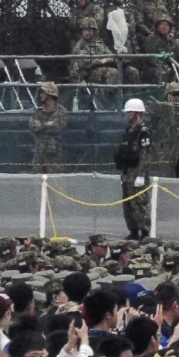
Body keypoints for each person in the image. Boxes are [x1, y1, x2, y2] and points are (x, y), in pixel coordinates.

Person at [114, 97, 152, 239]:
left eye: (130, 112)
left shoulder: (143, 132)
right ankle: (133, 230)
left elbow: (145, 155)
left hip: (137, 173)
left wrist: (141, 174)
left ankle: (145, 231)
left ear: (137, 113)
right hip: (127, 173)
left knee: (139, 203)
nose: (127, 115)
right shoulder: (128, 131)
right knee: (128, 204)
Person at [29, 83, 68, 171]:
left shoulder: (61, 111)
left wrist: (41, 125)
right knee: (37, 176)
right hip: (39, 150)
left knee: (54, 176)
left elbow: (58, 127)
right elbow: (33, 126)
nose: (41, 95)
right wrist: (47, 124)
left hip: (54, 151)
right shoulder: (39, 110)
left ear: (49, 94)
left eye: (43, 93)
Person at [69, 18, 118, 85]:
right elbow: (84, 63)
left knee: (129, 71)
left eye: (89, 30)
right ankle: (110, 92)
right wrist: (101, 61)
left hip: (100, 70)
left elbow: (109, 54)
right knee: (112, 72)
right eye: (85, 30)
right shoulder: (80, 45)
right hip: (86, 74)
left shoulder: (99, 43)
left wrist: (113, 58)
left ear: (94, 31)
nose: (87, 32)